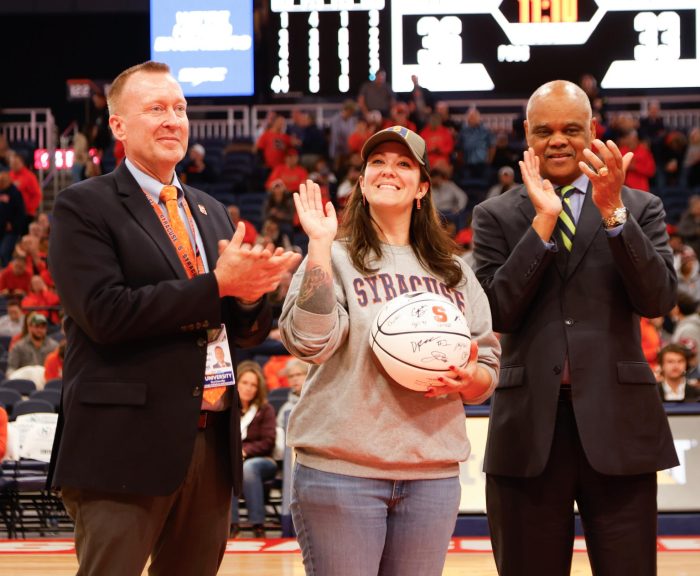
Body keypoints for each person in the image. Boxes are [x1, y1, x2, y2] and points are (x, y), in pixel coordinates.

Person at [47, 61, 301, 576]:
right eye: (156, 108)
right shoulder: (83, 206)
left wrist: (252, 296)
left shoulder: (207, 209)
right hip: (123, 442)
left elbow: (238, 330)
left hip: (211, 439)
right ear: (117, 125)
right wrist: (217, 287)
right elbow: (104, 314)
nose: (172, 120)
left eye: (180, 108)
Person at [472, 79, 678, 576]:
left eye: (571, 129)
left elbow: (657, 299)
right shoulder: (495, 215)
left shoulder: (639, 207)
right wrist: (542, 224)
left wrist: (613, 214)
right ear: (526, 134)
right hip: (527, 432)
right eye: (544, 130)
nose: (557, 140)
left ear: (592, 131)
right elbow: (497, 312)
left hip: (619, 425)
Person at [278, 126, 501, 576]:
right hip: (341, 470)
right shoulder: (332, 257)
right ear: (361, 182)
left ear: (422, 187)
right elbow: (310, 343)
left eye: (403, 164)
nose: (388, 171)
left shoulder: (455, 271)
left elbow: (486, 372)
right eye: (377, 163)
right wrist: (319, 246)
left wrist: (469, 378)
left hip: (432, 475)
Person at [229, 360, 277, 538]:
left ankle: (258, 524)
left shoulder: (265, 410)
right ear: (237, 383)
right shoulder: (228, 409)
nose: (249, 388)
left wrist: (244, 451)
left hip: (262, 461)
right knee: (230, 467)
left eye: (253, 385)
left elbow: (268, 441)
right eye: (245, 383)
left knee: (247, 468)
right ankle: (232, 524)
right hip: (235, 460)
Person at [275, 358, 309, 428]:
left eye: (298, 374)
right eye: (291, 376)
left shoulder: (318, 400)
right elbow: (280, 433)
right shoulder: (285, 408)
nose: (294, 379)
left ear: (308, 375)